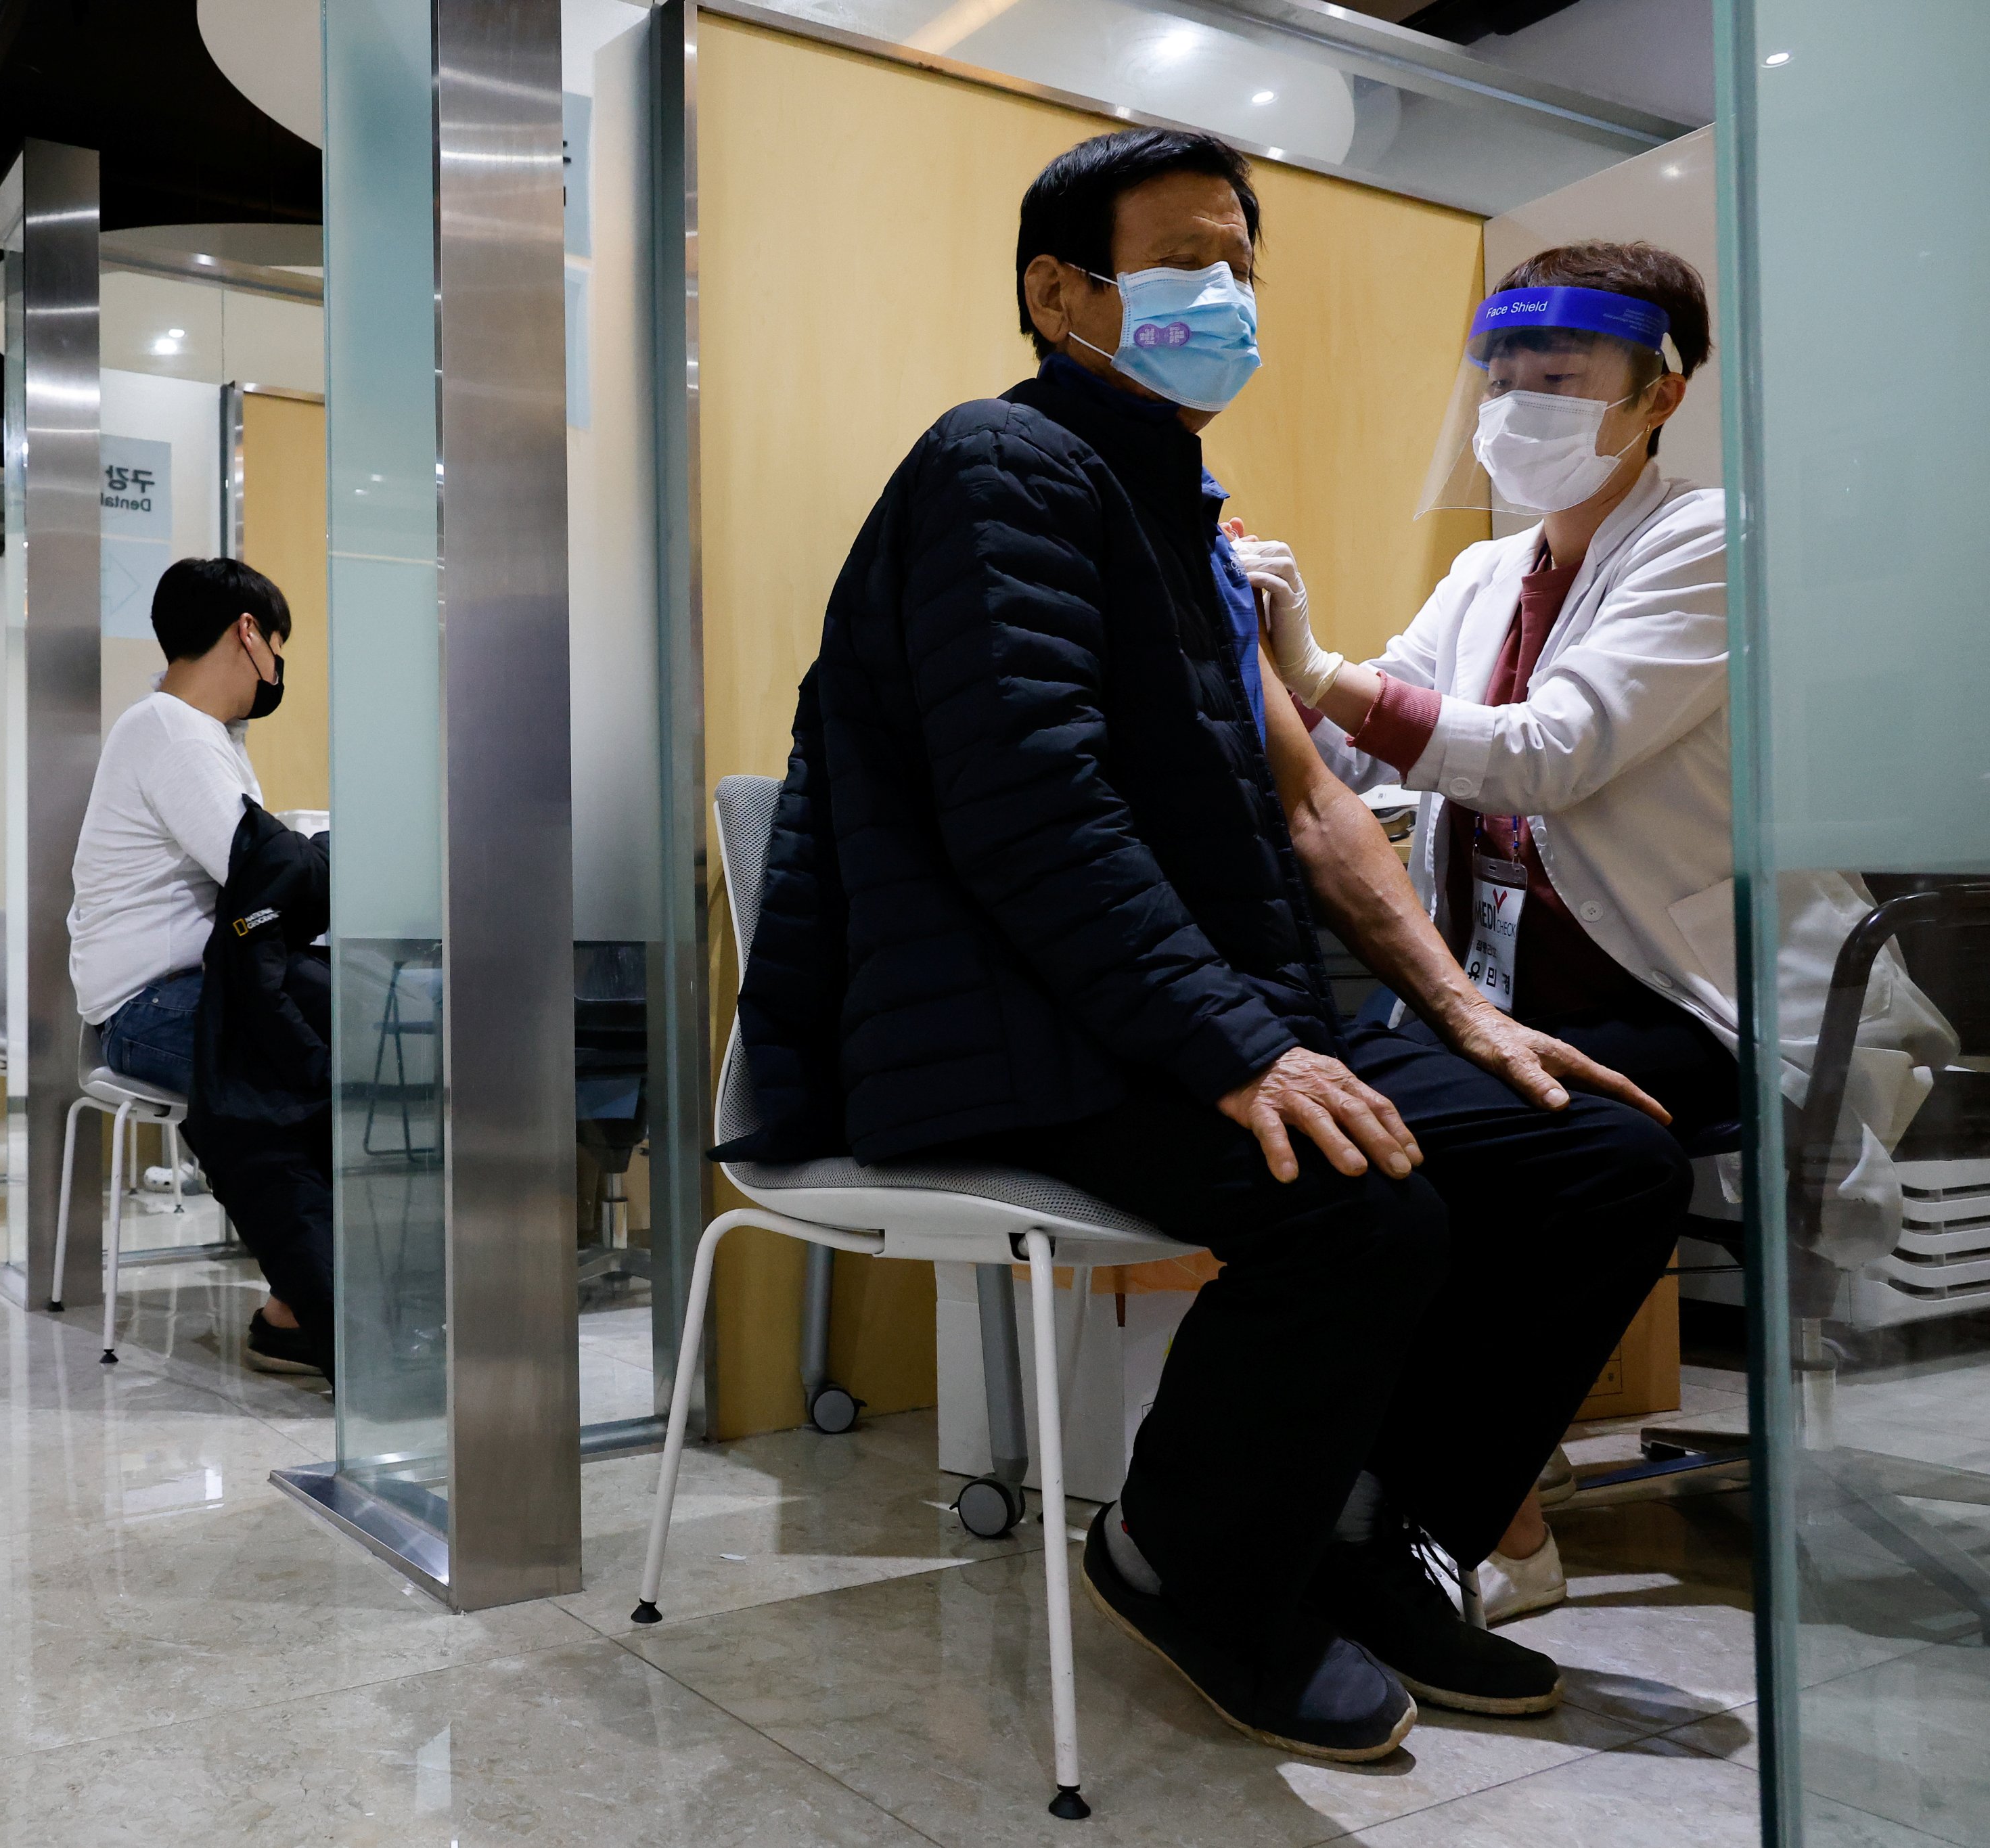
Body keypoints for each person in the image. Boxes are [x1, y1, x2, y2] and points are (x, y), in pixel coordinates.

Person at [723, 128, 1690, 1767]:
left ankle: (1373, 1541)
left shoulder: (1188, 522)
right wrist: (1243, 1048)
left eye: (1241, 269)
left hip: (1154, 1016)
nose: (1226, 299)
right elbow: (1031, 810)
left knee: (1597, 1157)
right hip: (1012, 1029)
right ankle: (1186, 1558)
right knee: (1361, 1212)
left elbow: (1314, 805)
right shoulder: (1000, 466)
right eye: (1185, 265)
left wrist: (1465, 1016)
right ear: (1059, 294)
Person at [1236, 240, 1954, 1621]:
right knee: (1385, 1125)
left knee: (1498, 1144)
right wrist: (1279, 660)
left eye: (1558, 376)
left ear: (1658, 396)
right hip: (1515, 990)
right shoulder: (1485, 571)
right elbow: (1384, 744)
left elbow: (1546, 755)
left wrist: (1321, 673)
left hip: (1695, 998)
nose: (1518, 402)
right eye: (1502, 372)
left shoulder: (1714, 540)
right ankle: (1436, 1471)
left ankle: (1488, 1510)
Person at [68, 556, 327, 1374]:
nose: (277, 667)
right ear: (249, 633)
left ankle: (305, 1301)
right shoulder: (172, 730)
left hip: (183, 990)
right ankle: (316, 1304)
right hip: (150, 1005)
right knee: (301, 1075)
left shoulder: (194, 735)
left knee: (332, 1049)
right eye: (277, 646)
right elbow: (259, 872)